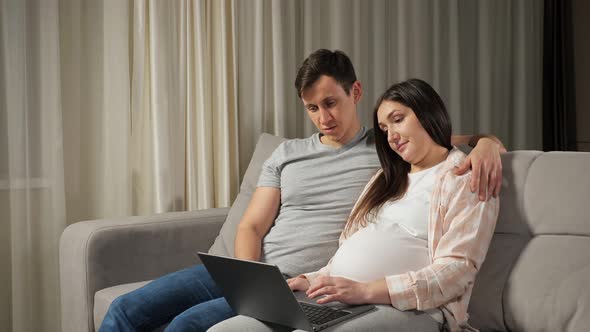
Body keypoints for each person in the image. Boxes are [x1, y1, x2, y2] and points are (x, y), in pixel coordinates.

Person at [99, 50, 504, 332]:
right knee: (125, 309)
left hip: (301, 280)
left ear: (355, 93)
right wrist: (250, 280)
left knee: (187, 325)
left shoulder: (383, 150)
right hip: (248, 270)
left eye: (331, 103)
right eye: (312, 108)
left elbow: (440, 140)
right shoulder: (287, 153)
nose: (323, 117)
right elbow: (252, 225)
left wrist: (488, 142)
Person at [212, 79, 499, 332]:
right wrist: (311, 280)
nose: (391, 136)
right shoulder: (382, 180)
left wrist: (364, 291)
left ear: (427, 112)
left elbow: (456, 272)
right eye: (384, 129)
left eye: (398, 120)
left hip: (413, 310)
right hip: (340, 299)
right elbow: (346, 255)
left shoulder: (464, 176)